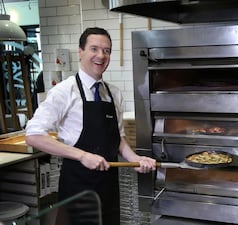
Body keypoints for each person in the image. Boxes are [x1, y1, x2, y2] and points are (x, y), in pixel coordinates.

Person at [25, 27, 157, 225]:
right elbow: (33, 135)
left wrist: (135, 159)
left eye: (107, 50)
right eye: (94, 49)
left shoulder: (113, 93)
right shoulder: (64, 91)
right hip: (78, 187)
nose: (101, 56)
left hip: (109, 186)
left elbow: (118, 138)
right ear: (81, 51)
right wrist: (83, 155)